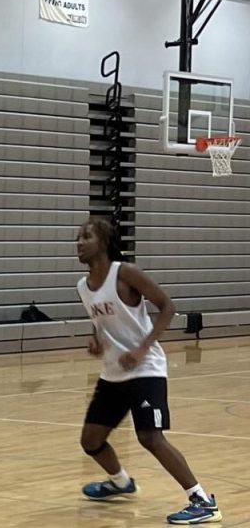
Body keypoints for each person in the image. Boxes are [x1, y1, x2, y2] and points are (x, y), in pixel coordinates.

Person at [75, 217, 221, 524]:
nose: (79, 242)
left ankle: (202, 500)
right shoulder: (83, 286)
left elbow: (167, 306)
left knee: (150, 437)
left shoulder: (125, 273)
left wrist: (142, 347)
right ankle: (120, 482)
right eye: (78, 237)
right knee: (90, 440)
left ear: (103, 242)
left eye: (86, 236)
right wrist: (97, 341)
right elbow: (101, 320)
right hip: (113, 373)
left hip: (146, 369)